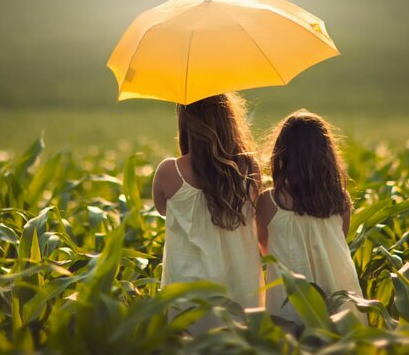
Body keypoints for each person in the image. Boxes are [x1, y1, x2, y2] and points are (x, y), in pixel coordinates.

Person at [152, 93, 264, 332]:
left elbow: (162, 210)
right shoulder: (249, 169)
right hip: (241, 290)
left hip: (188, 296)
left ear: (185, 123)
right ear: (228, 121)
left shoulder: (169, 172)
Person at [256, 109, 367, 325]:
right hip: (338, 298)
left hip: (289, 302)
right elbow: (339, 243)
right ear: (326, 154)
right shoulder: (339, 200)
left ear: (281, 153)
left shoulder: (269, 202)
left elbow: (265, 250)